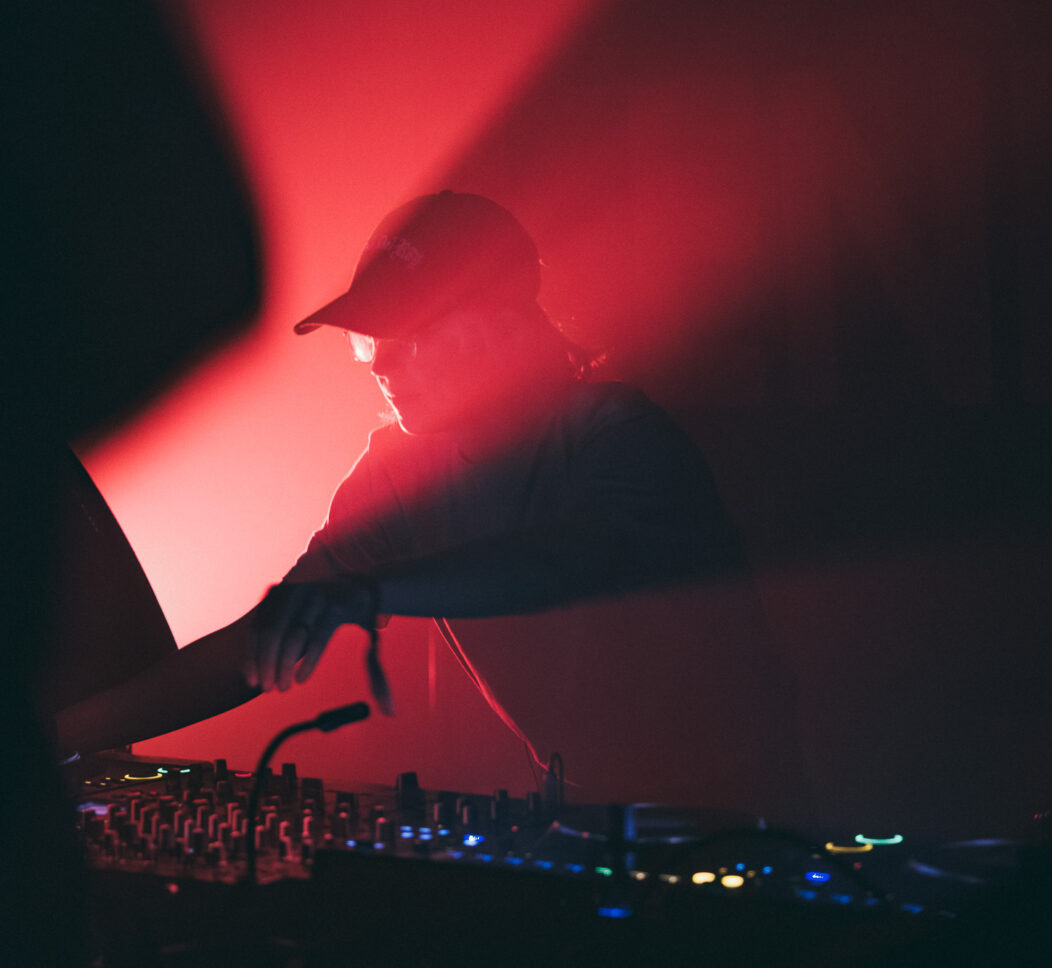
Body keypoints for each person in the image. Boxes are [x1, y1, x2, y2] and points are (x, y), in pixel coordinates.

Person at [57, 191, 806, 819]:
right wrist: (51, 738)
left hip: (744, 814)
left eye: (411, 331)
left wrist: (370, 590)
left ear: (505, 315)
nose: (380, 360)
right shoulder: (396, 471)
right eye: (374, 336)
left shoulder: (615, 432)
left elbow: (569, 563)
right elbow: (264, 642)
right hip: (579, 813)